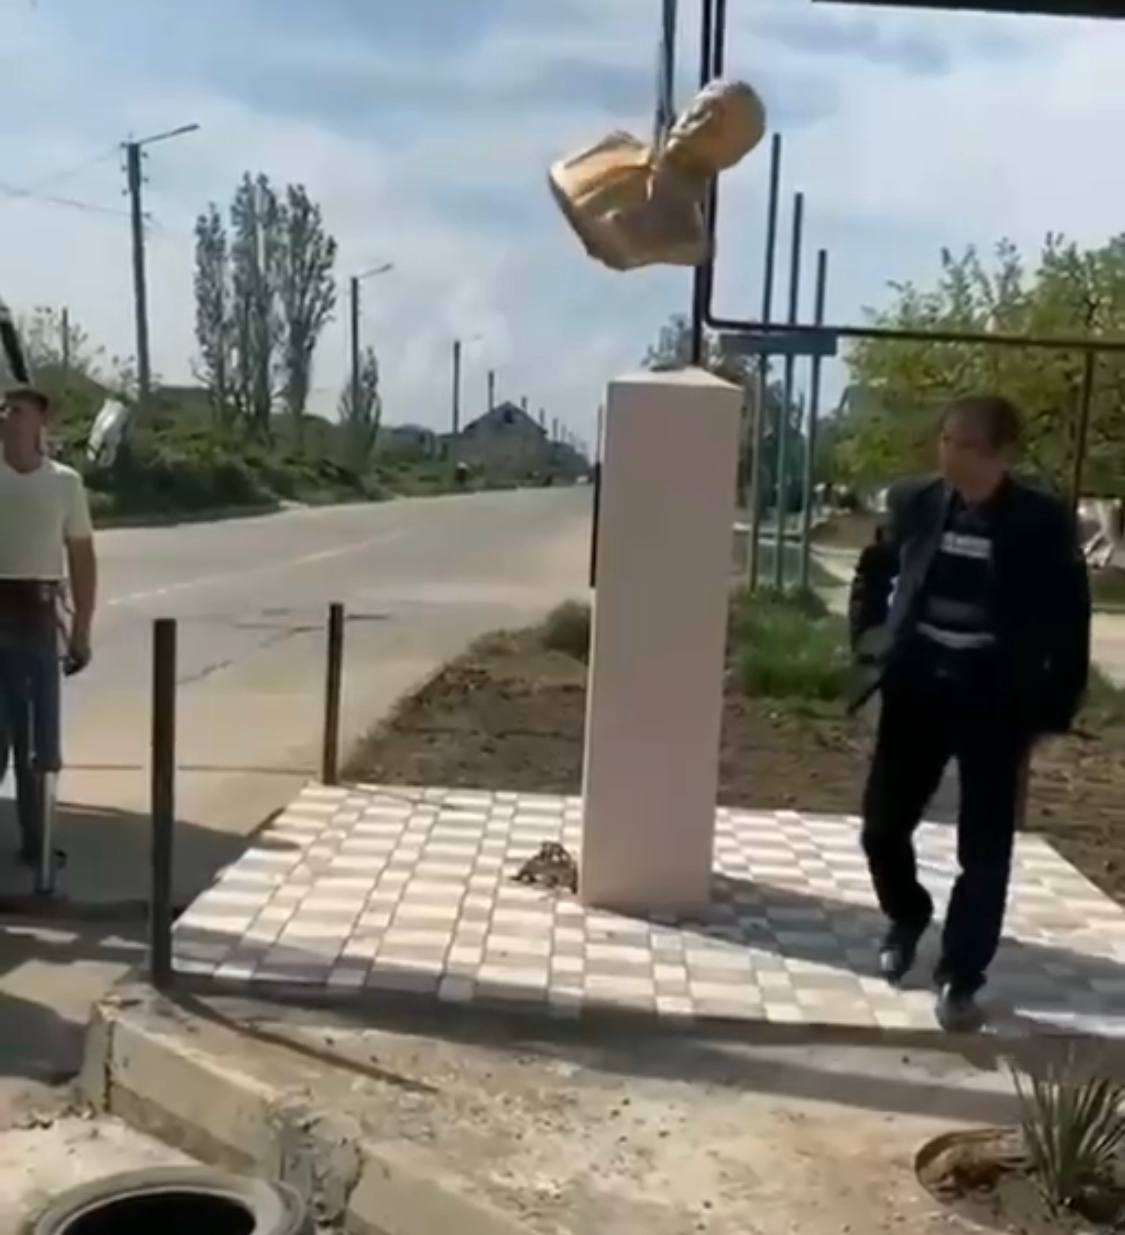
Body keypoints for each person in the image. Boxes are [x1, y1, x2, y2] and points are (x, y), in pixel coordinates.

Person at [848, 394, 1090, 1033]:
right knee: (881, 828)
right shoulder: (915, 501)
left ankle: (961, 975)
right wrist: (870, 640)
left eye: (967, 446)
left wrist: (1053, 709)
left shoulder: (1041, 522)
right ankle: (907, 914)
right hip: (917, 689)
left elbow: (1071, 620)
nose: (951, 455)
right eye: (946, 441)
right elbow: (874, 572)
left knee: (984, 848)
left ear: (1002, 455)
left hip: (995, 699)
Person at [0, 386, 96, 867]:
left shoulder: (64, 483)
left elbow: (81, 557)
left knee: (39, 740)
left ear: (40, 421)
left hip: (36, 617)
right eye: (4, 409)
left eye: (18, 410)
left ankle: (37, 842)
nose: (7, 417)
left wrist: (81, 630)